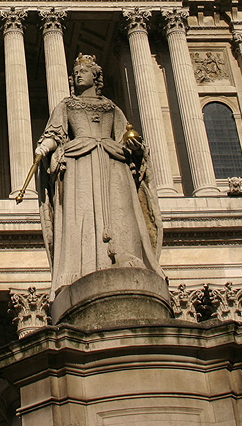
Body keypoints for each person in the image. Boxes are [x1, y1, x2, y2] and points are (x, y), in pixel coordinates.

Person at [33, 53, 163, 299]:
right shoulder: (66, 105)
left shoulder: (111, 108)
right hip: (79, 163)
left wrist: (134, 147)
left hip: (112, 161)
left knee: (120, 209)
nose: (78, 75)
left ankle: (126, 255)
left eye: (84, 70)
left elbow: (126, 136)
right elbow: (56, 132)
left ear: (96, 75)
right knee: (80, 212)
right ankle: (80, 267)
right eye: (76, 72)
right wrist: (44, 147)